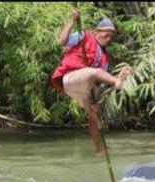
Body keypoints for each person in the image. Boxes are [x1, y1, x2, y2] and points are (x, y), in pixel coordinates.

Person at [51, 9, 132, 156]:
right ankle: (116, 81)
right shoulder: (85, 35)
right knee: (95, 72)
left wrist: (98, 103)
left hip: (84, 88)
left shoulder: (105, 58)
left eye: (112, 35)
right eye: (106, 33)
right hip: (70, 78)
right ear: (98, 31)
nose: (109, 38)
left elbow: (98, 85)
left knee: (93, 115)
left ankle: (99, 149)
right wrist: (72, 20)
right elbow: (62, 41)